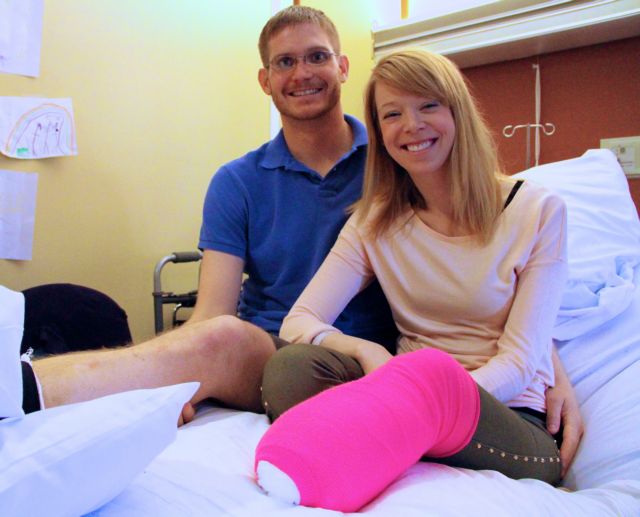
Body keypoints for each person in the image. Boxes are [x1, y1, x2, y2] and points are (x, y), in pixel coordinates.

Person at [14, 6, 581, 474]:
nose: (302, 73)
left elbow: (492, 269)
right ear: (265, 80)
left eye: (316, 57)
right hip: (290, 354)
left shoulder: (395, 165)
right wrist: (179, 380)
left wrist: (552, 367)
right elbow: (213, 315)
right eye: (284, 62)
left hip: (387, 374)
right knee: (232, 346)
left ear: (342, 67)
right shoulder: (254, 185)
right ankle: (21, 386)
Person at [261, 48, 576, 483]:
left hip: (505, 413)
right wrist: (368, 352)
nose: (411, 125)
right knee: (289, 369)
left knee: (414, 401)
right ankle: (381, 444)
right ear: (380, 132)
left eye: (429, 105)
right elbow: (299, 320)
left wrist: (426, 404)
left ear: (458, 112)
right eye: (392, 114)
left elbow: (521, 361)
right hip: (404, 397)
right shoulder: (374, 222)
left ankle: (359, 451)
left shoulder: (539, 211)